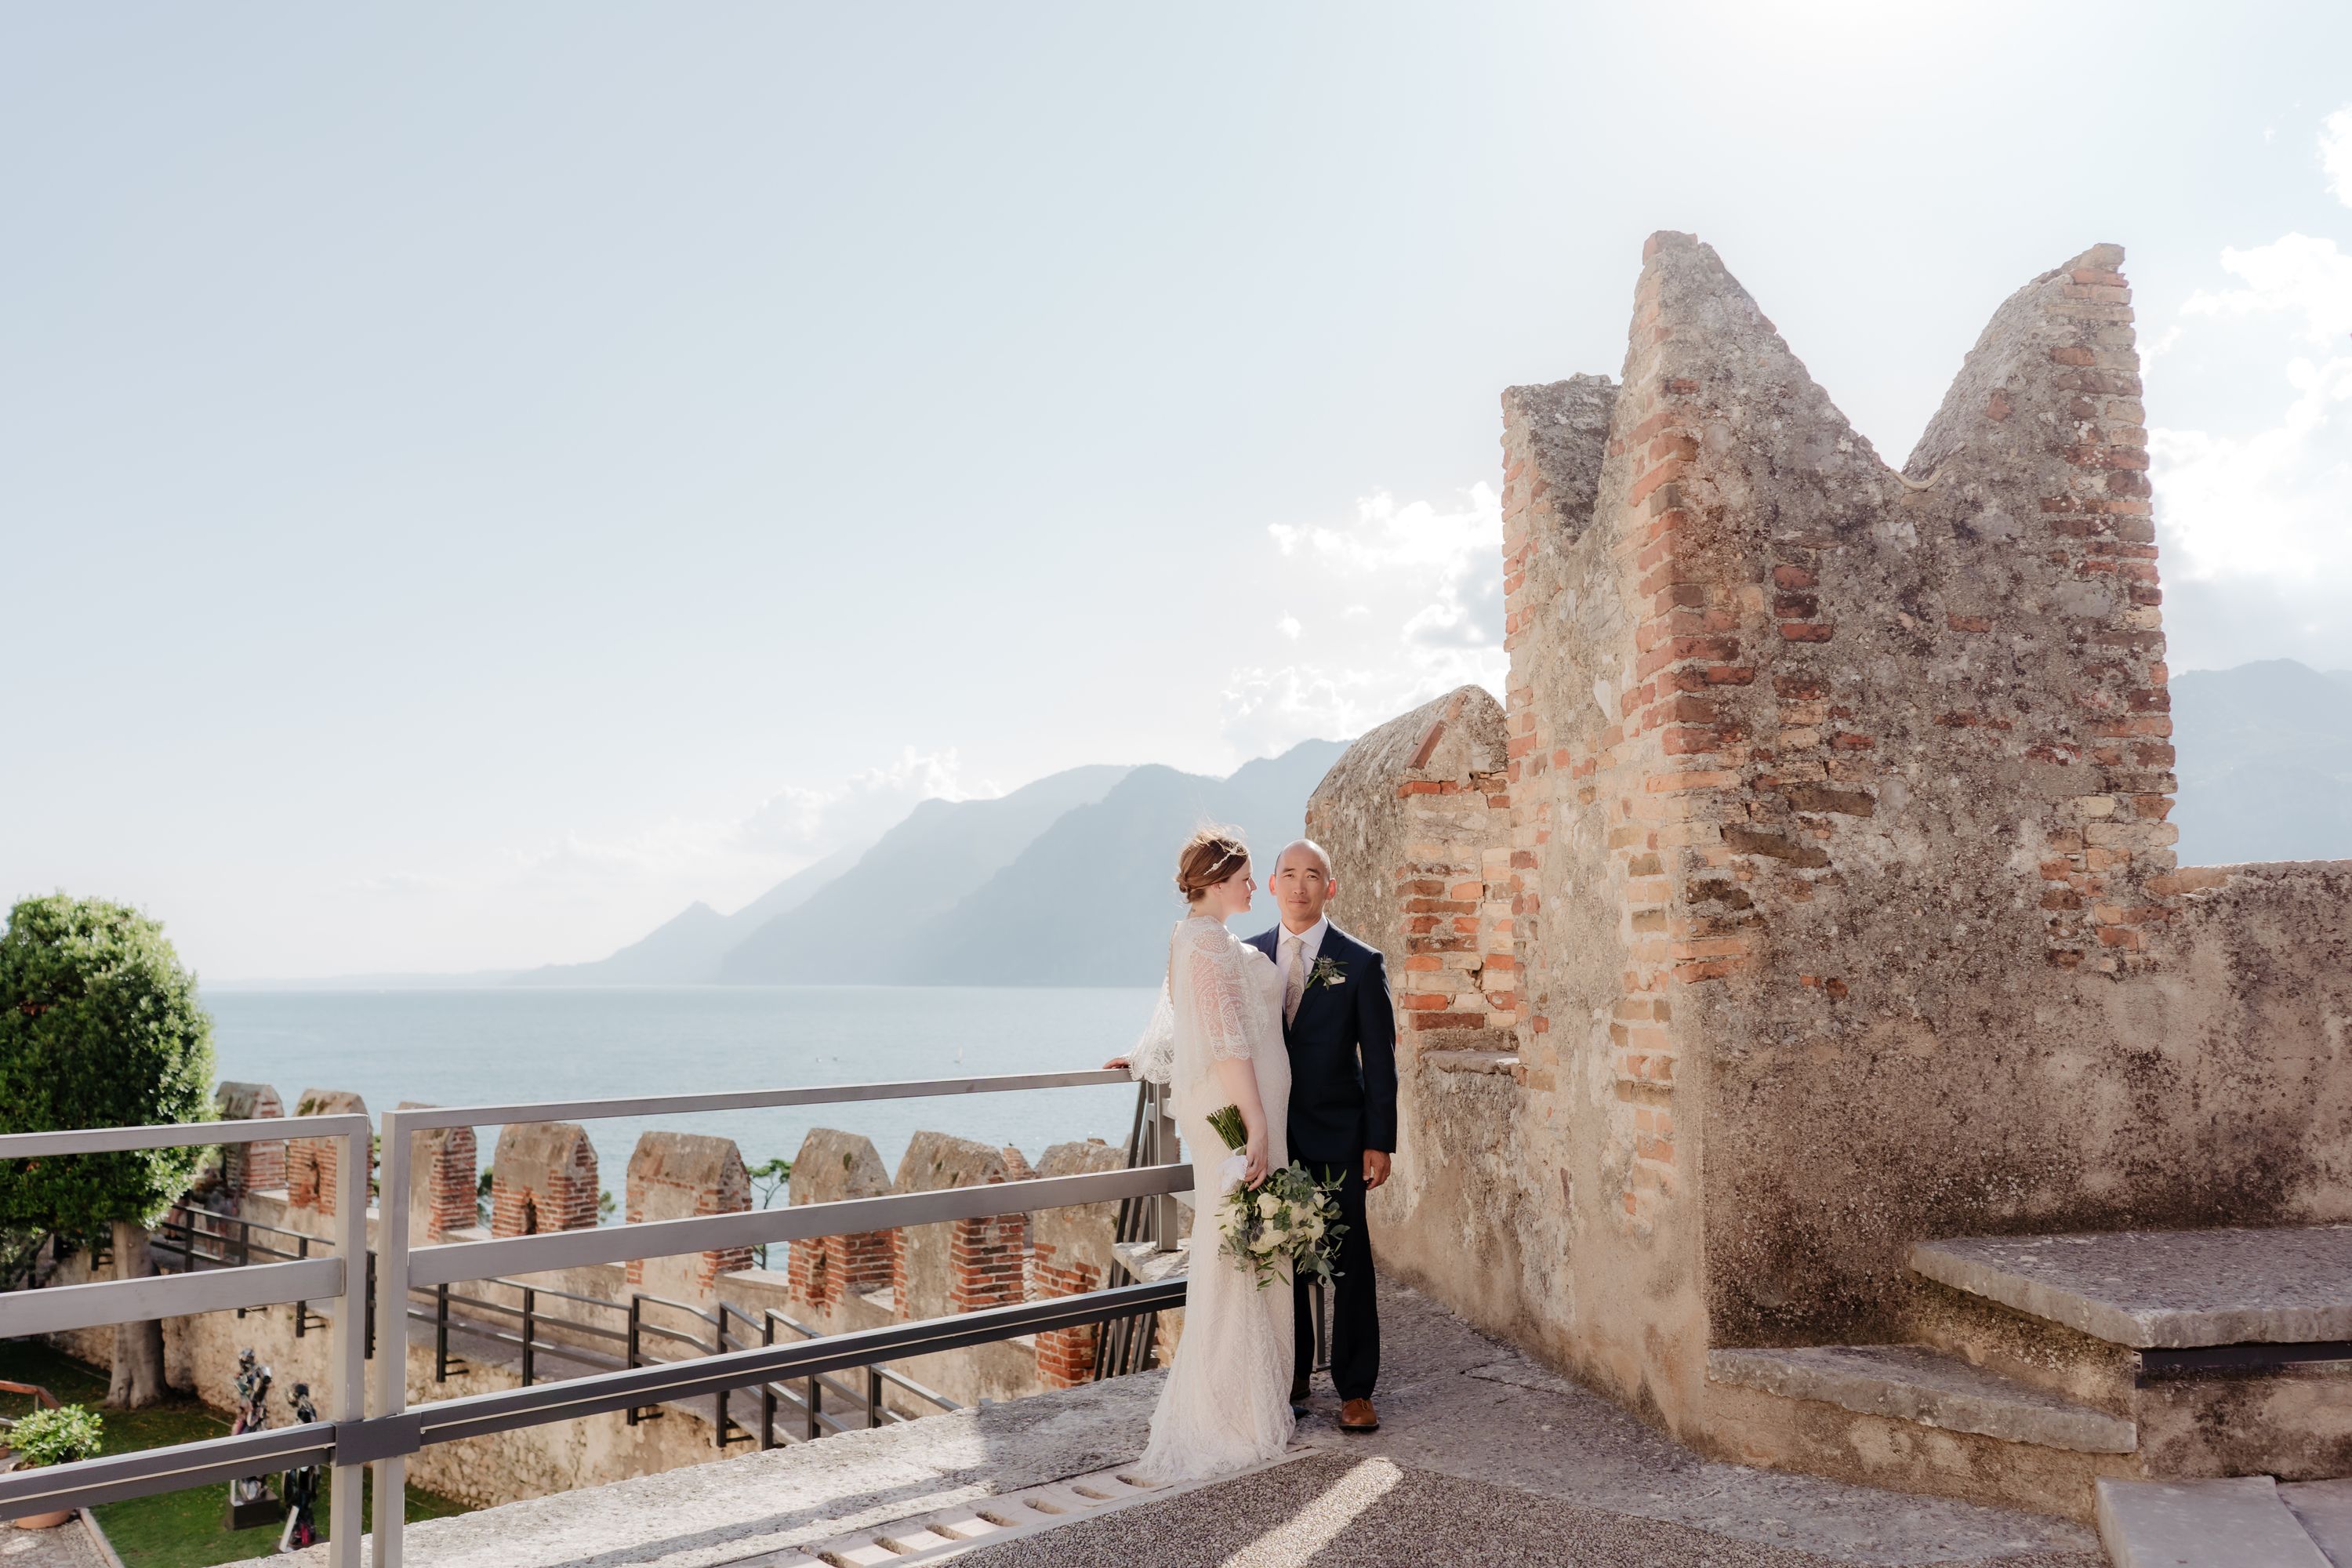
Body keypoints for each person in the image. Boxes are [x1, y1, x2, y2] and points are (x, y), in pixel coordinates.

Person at [1110, 827, 1296, 1483]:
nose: (1254, 886)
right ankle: (1232, 1412)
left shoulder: (1191, 937)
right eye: (1245, 877)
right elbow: (1223, 1039)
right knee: (1238, 1246)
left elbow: (1172, 1018)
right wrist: (1255, 1124)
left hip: (1231, 1105)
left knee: (1237, 1241)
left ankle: (1246, 1395)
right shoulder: (1210, 943)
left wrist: (1138, 1057)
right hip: (1236, 1110)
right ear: (1217, 881)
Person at [1247, 838, 1396, 1435]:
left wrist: (1379, 1141)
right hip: (1273, 1137)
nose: (1301, 885)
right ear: (1274, 883)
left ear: (1330, 887)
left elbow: (1380, 1062)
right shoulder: (1248, 955)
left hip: (1340, 1133)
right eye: (1290, 874)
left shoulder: (1360, 962)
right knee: (1280, 1256)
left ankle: (1356, 1389)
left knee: (1348, 1262)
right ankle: (1292, 1375)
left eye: (1314, 876)